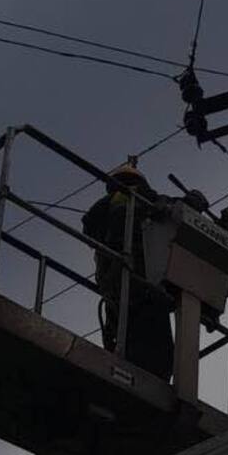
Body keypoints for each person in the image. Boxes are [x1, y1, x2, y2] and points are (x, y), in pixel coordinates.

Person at [81, 161, 187, 379]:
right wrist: (189, 201)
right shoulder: (137, 198)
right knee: (155, 352)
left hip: (115, 285)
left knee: (120, 338)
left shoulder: (103, 207)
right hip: (142, 284)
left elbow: (89, 230)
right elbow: (174, 210)